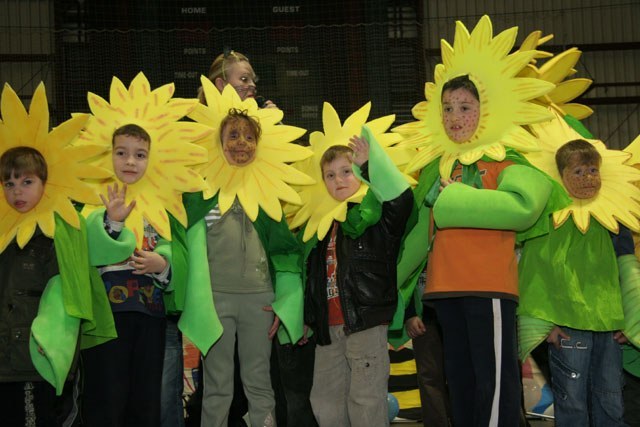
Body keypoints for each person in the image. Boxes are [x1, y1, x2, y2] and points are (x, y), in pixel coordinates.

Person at [405, 75, 555, 427]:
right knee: (460, 383)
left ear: (485, 112)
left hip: (488, 286)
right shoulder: (438, 167)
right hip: (445, 287)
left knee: (494, 383)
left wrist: (457, 198)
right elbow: (416, 233)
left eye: (465, 107)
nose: (454, 117)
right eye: (447, 109)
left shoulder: (505, 160)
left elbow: (524, 206)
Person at [187, 106, 305, 427]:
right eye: (233, 136)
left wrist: (286, 303)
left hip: (259, 301)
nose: (242, 143)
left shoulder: (267, 195)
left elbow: (285, 252)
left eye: (250, 137)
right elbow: (185, 247)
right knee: (217, 385)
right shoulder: (201, 195)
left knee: (259, 381)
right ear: (219, 143)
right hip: (215, 300)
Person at [518, 139, 636, 426]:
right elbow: (535, 272)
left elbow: (628, 272)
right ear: (561, 176)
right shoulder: (550, 220)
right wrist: (545, 325)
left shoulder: (613, 220)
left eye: (593, 170)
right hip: (568, 326)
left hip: (608, 325)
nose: (588, 178)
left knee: (610, 397)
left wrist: (630, 320)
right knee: (572, 401)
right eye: (578, 172)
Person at [304, 126, 413, 427]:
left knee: (365, 400)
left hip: (364, 322)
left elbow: (401, 202)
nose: (338, 180)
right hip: (328, 327)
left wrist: (369, 167)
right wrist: (309, 316)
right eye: (330, 175)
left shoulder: (375, 218)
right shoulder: (322, 224)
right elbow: (313, 277)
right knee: (325, 402)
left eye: (346, 171)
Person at [81, 124, 172, 427]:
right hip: (107, 318)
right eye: (121, 153)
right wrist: (113, 222)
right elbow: (89, 248)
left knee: (146, 399)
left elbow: (172, 246)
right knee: (107, 397)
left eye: (140, 155)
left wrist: (162, 263)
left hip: (151, 314)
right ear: (109, 155)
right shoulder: (94, 200)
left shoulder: (161, 202)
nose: (130, 161)